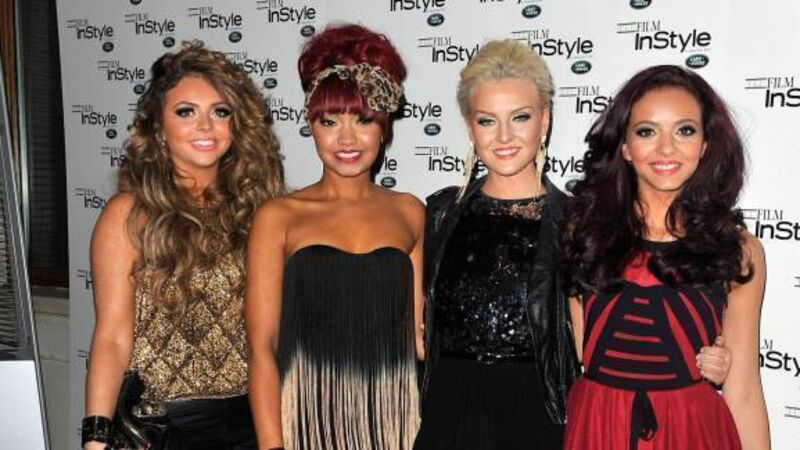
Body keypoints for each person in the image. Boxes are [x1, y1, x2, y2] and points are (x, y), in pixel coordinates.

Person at [414, 41, 734, 450]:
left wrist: (712, 355)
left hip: (539, 413)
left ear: (545, 120)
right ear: (469, 126)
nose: (505, 136)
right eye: (487, 121)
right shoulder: (438, 214)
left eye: (521, 117)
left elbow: (610, 328)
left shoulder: (579, 223)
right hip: (450, 409)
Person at [82, 41, 285, 450]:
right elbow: (112, 339)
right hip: (162, 429)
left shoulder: (261, 212)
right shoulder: (129, 214)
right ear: (158, 128)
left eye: (220, 112)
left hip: (252, 423)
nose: (205, 126)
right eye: (186, 112)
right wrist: (95, 440)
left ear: (237, 125)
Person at [563, 65, 770, 450]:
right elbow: (576, 352)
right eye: (647, 131)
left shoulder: (737, 249)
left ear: (705, 144)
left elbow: (743, 392)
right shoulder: (585, 236)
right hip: (599, 428)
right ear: (624, 146)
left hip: (692, 433)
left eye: (684, 130)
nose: (666, 148)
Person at [246, 23, 423, 450]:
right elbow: (261, 349)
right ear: (312, 125)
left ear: (384, 127)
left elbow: (419, 342)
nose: (346, 139)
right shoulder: (278, 217)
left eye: (363, 120)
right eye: (329, 121)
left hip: (394, 428)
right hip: (304, 427)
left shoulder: (411, 212)